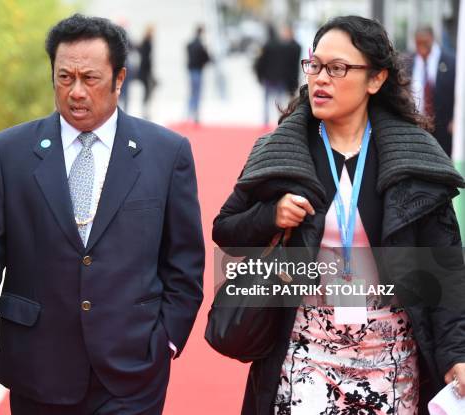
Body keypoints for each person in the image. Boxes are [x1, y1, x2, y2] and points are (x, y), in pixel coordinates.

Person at [0, 14, 204, 415]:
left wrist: (167, 339)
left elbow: (184, 260)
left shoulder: (166, 153)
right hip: (38, 364)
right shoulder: (8, 153)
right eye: (65, 78)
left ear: (120, 78)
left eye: (90, 78)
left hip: (133, 368)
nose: (76, 92)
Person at [210, 15, 465, 414]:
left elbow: (447, 271)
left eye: (338, 68)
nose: (320, 78)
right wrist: (271, 215)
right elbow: (225, 229)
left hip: (391, 363)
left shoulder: (412, 159)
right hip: (304, 357)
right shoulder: (283, 150)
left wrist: (456, 354)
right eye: (314, 65)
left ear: (376, 79)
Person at [408, 26, 456, 156]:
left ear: (432, 39)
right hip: (416, 127)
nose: (422, 46)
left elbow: (458, 94)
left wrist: (456, 118)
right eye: (418, 43)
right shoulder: (409, 62)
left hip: (444, 127)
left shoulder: (451, 62)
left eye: (425, 42)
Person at [186, 25, 211, 124]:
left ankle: (188, 114)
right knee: (196, 94)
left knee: (192, 93)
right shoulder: (200, 45)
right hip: (197, 70)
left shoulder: (190, 44)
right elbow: (206, 58)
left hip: (192, 70)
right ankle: (195, 114)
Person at [137, 24, 156, 119]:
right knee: (147, 91)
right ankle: (145, 110)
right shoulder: (147, 41)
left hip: (145, 70)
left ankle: (145, 110)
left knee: (147, 91)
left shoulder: (146, 41)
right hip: (145, 71)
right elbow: (145, 58)